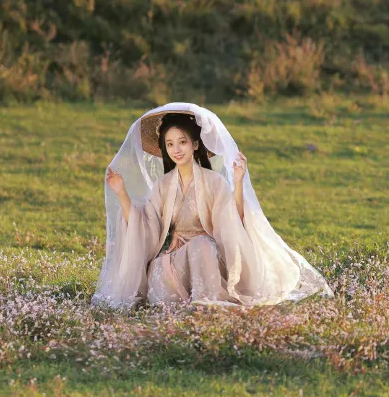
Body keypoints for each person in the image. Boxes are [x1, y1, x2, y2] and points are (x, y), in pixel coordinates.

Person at [93, 103, 331, 307]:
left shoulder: (214, 182)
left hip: (207, 257)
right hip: (173, 260)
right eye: (170, 144)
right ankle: (183, 295)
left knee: (203, 246)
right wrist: (122, 193)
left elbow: (233, 221)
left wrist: (237, 182)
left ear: (195, 144)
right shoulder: (162, 186)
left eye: (182, 142)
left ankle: (208, 298)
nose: (176, 149)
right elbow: (144, 226)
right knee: (159, 269)